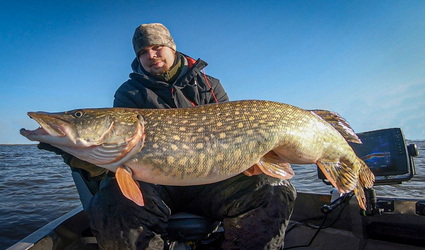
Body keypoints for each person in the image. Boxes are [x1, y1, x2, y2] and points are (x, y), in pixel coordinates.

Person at [45, 23, 297, 249]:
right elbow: (118, 148)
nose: (150, 55)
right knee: (112, 202)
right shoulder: (129, 93)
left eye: (156, 47)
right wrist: (77, 151)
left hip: (212, 182)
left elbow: (234, 133)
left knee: (272, 189)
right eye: (142, 52)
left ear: (172, 47)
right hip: (155, 184)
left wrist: (251, 158)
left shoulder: (209, 84)